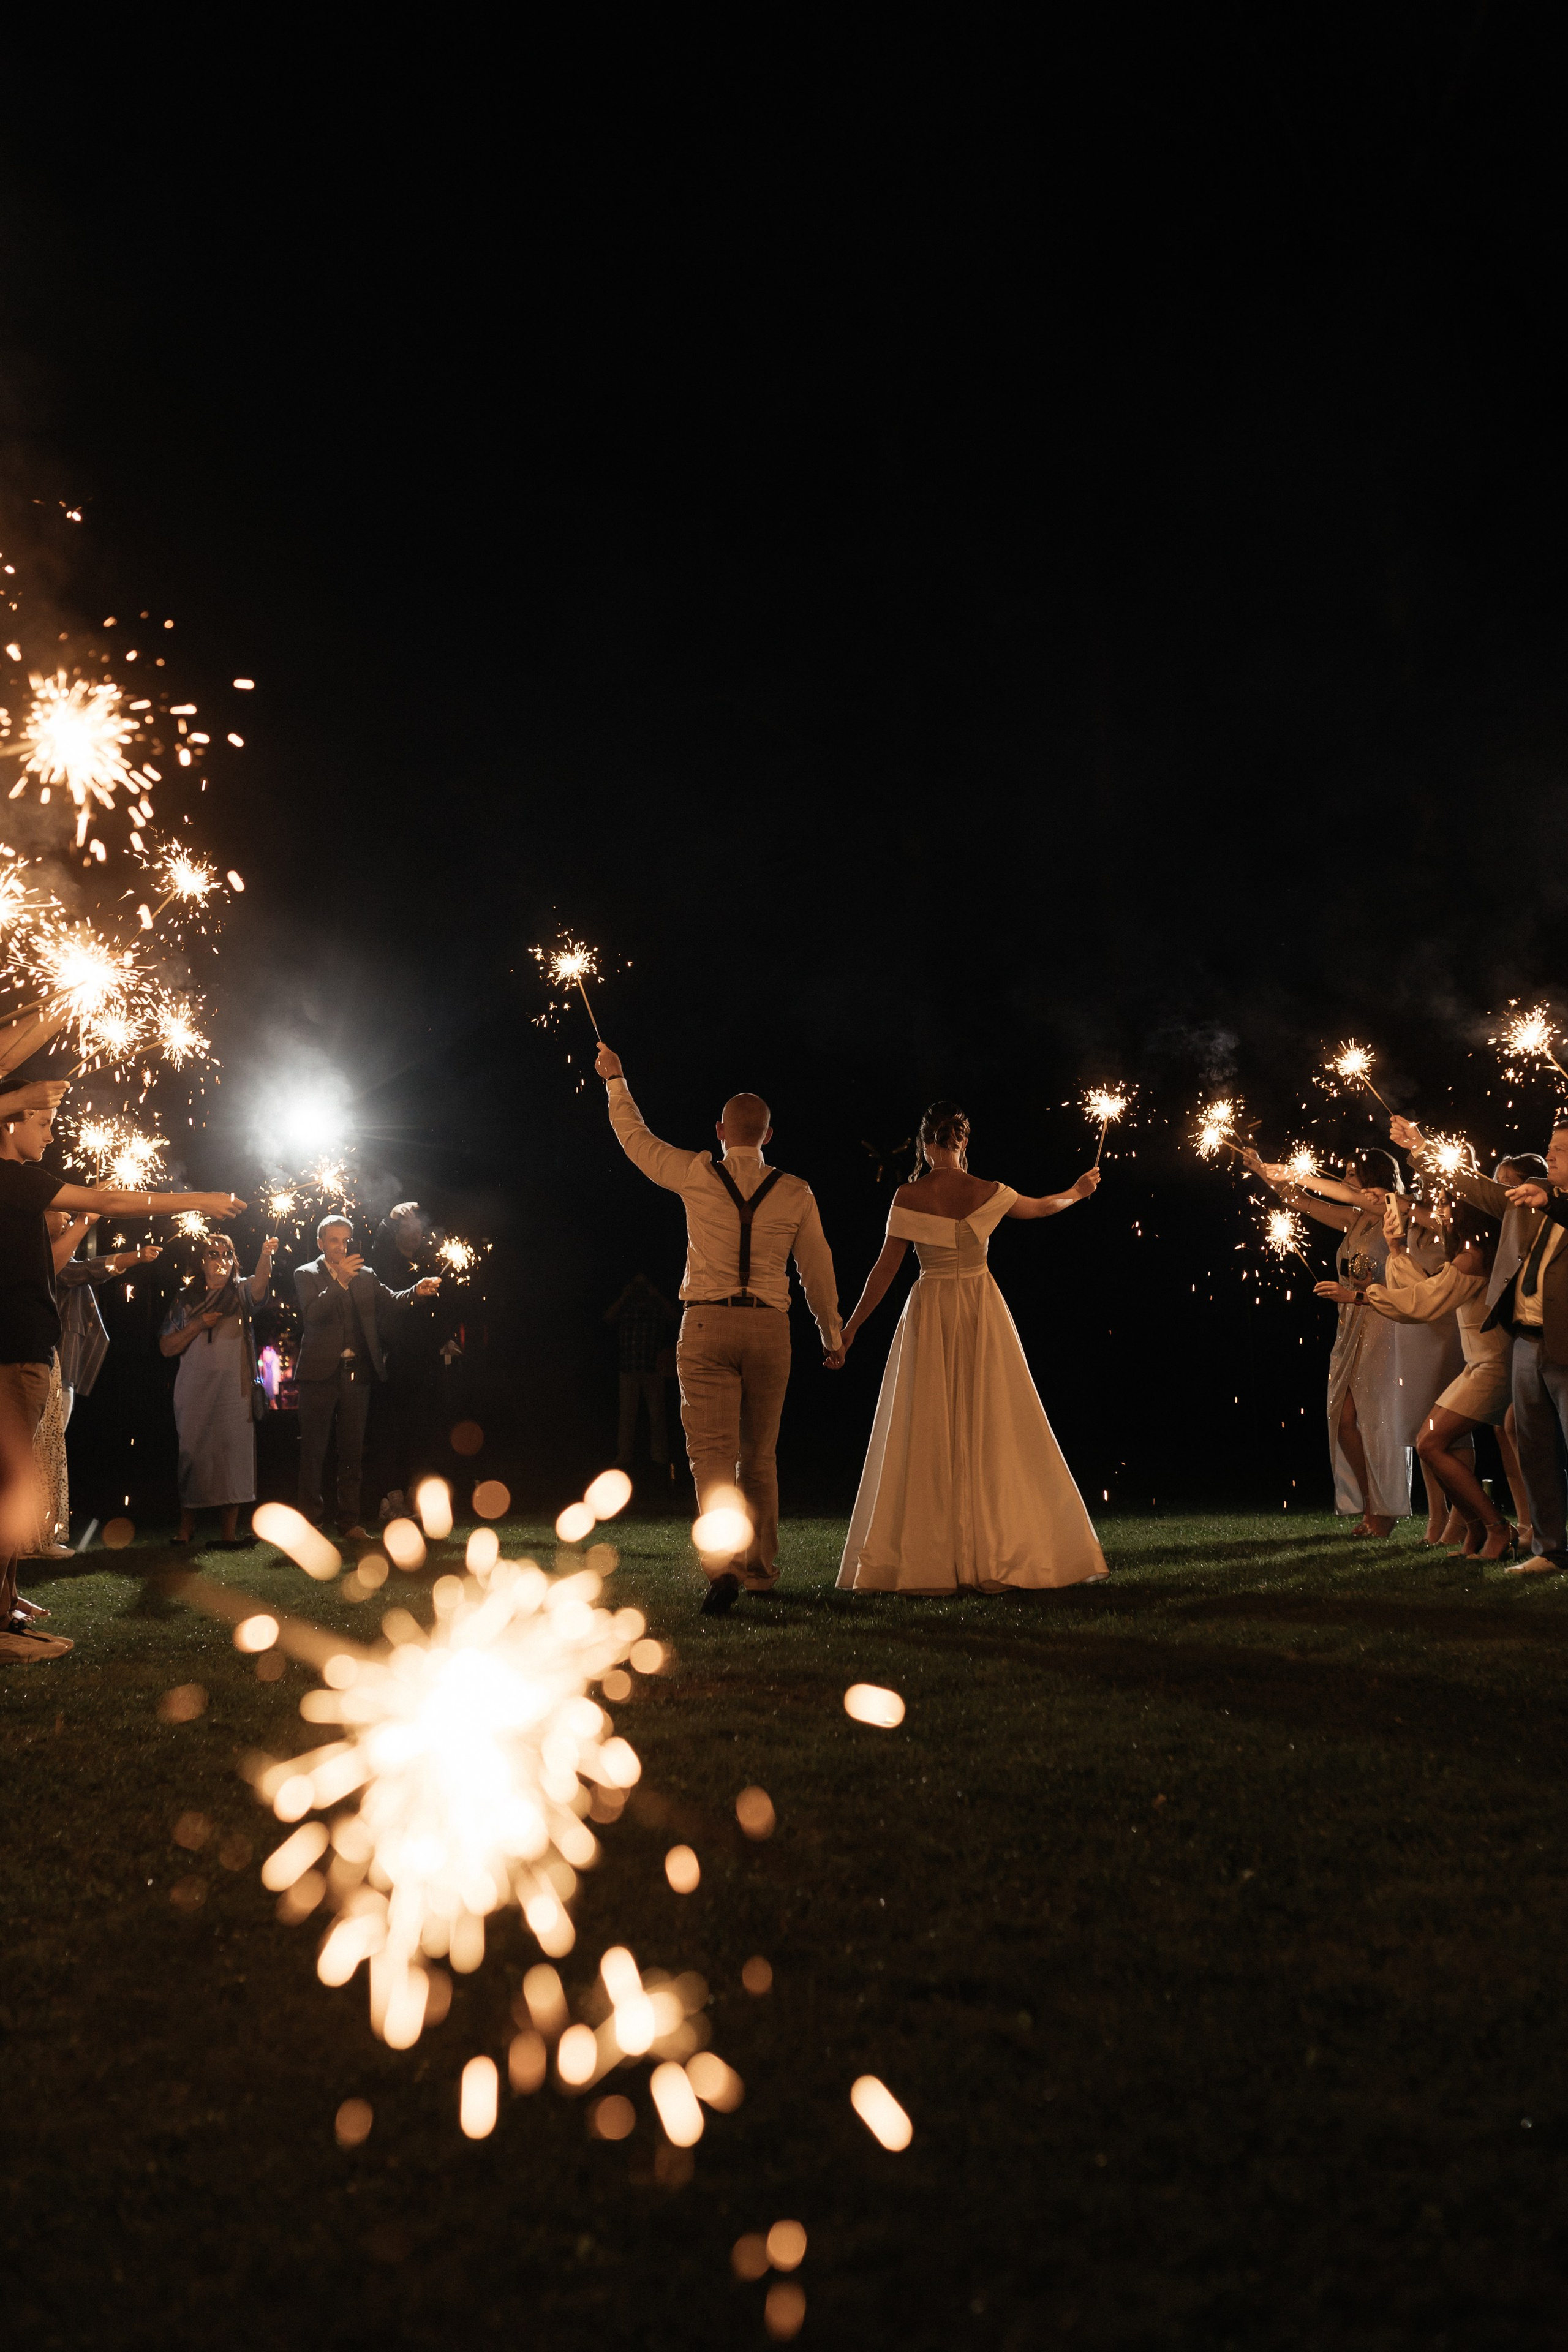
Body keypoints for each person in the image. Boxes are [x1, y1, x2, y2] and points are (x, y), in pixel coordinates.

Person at [593, 1042, 842, 1615]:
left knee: (711, 1457)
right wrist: (831, 1335)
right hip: (768, 1330)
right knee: (760, 1457)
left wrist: (616, 1081)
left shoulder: (697, 1173)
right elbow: (817, 1270)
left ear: (720, 1131)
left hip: (705, 1325)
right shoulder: (798, 1191)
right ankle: (759, 1570)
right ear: (769, 1137)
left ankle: (723, 1565)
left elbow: (638, 1142)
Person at [0, 1096, 245, 1664]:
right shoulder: (10, 1179)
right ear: (8, 1120)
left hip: (26, 1353)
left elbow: (54, 1263)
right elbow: (109, 1199)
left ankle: (6, 1607)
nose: (50, 1137)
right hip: (12, 1356)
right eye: (41, 1123)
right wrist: (200, 1199)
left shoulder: (18, 1190)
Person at [831, 1100, 1108, 1593]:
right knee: (992, 1422)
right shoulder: (989, 1191)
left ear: (924, 1142)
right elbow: (1044, 1206)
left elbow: (885, 1270)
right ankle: (995, 1545)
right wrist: (1078, 1192)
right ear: (962, 1141)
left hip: (932, 1309)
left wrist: (850, 1329)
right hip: (981, 1308)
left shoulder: (908, 1196)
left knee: (928, 1425)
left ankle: (928, 1552)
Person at [1395, 1111, 1568, 1575]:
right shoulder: (1525, 1201)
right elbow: (1475, 1187)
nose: (1549, 1156)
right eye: (1550, 1148)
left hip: (1566, 1345)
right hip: (1526, 1343)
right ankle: (1550, 1550)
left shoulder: (1549, 1201)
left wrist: (1553, 1200)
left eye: (1561, 1151)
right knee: (1532, 1450)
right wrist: (1421, 1147)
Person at [1314, 1193, 1521, 1559]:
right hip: (1479, 1364)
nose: (1439, 1212)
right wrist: (1395, 1251)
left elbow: (1423, 1303)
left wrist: (1360, 1295)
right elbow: (1420, 1289)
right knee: (1428, 1442)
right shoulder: (1468, 1255)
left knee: (1430, 1443)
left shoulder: (1475, 1258)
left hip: (1493, 1366)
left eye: (1446, 1205)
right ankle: (1478, 1531)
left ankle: (1496, 1528)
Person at [1249, 1148, 1408, 1535]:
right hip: (1350, 1322)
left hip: (1385, 1323)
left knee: (1376, 1417)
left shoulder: (1398, 1214)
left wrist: (1289, 1169)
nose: (1345, 1181)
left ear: (1375, 1179)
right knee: (1344, 1420)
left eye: (1353, 1175)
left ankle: (1385, 1509)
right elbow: (1300, 1201)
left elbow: (1406, 1280)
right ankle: (1373, 1501)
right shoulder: (1353, 1219)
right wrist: (1263, 1172)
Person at [24, 1212, 162, 1558]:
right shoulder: (39, 1256)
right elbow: (79, 1271)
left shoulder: (52, 1256)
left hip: (63, 1367)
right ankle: (30, 1537)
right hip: (48, 1367)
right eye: (58, 1213)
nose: (67, 1217)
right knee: (41, 1452)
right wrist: (132, 1257)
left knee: (49, 1450)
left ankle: (39, 1535)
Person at [294, 1215, 441, 1540]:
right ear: (321, 1243)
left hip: (356, 1377)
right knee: (314, 1453)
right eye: (334, 1240)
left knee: (352, 1452)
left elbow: (391, 1301)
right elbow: (313, 1316)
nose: (341, 1246)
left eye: (346, 1240)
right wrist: (340, 1282)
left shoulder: (366, 1276)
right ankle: (312, 1525)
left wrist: (416, 1291)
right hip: (318, 1377)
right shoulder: (305, 1274)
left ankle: (349, 1523)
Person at [159, 1230, 277, 1547]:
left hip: (234, 1391)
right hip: (194, 1390)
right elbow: (167, 1347)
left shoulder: (239, 1293)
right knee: (193, 1454)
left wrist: (266, 1255)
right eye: (214, 1254)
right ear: (202, 1261)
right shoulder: (187, 1299)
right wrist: (199, 1325)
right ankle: (185, 1530)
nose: (221, 1260)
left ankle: (228, 1533)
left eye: (227, 1254)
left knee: (233, 1456)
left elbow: (260, 1285)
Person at [368, 1200, 450, 1520]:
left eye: (419, 1229)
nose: (416, 1234)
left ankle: (416, 1497)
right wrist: (390, 1219)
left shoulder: (424, 1264)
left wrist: (445, 1338)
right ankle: (392, 1498)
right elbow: (379, 1249)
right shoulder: (384, 1263)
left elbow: (436, 1313)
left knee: (421, 1429)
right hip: (392, 1360)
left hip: (422, 1362)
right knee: (392, 1430)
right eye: (408, 1228)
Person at [605, 1272, 677, 1474]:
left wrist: (658, 1297)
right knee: (627, 1415)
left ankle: (660, 1456)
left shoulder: (656, 1307)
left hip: (653, 1368)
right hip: (629, 1368)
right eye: (637, 1286)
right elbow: (608, 1317)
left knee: (657, 1416)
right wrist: (624, 1297)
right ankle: (624, 1455)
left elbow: (675, 1317)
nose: (640, 1290)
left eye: (643, 1286)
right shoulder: (626, 1307)